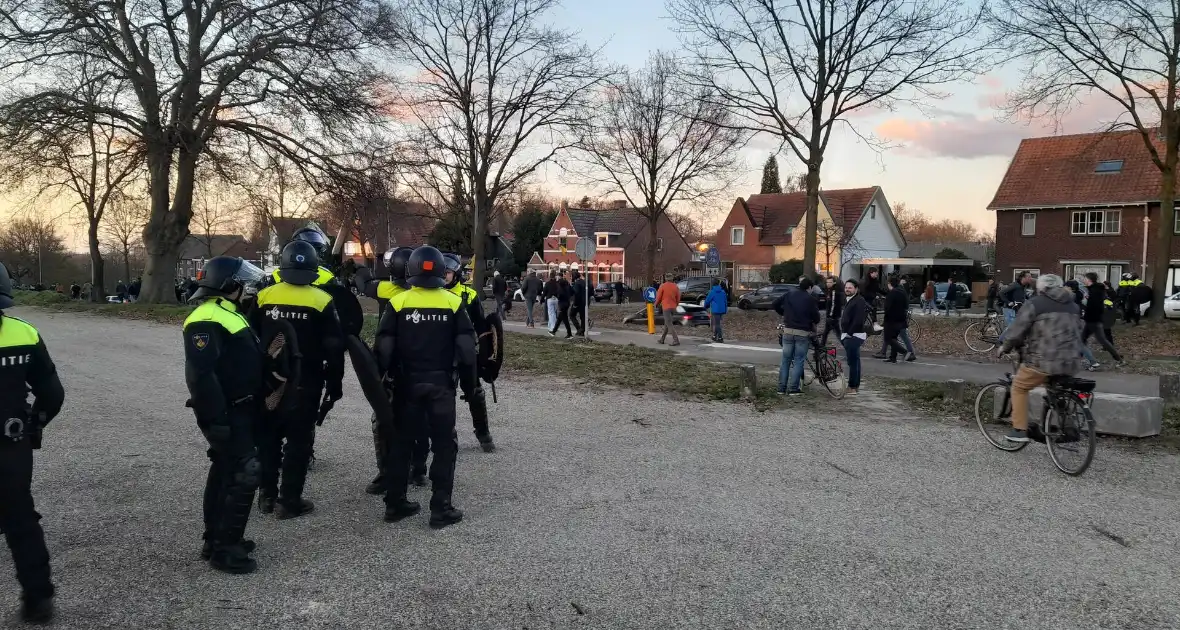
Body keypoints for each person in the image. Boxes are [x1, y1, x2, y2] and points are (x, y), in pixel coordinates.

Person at [375, 246, 476, 529]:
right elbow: (468, 352)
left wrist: (382, 383)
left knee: (402, 443)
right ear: (441, 270)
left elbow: (383, 348)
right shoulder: (454, 303)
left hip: (407, 385)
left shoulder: (398, 303)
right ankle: (440, 508)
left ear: (412, 269)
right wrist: (470, 388)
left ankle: (395, 504)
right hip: (442, 385)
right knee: (445, 445)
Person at [183, 256, 266, 575]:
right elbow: (200, 376)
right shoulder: (206, 318)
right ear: (228, 284)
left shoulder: (230, 313)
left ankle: (215, 539)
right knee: (246, 470)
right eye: (242, 280)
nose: (248, 285)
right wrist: (214, 420)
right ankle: (225, 550)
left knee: (225, 471)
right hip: (227, 410)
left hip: (242, 406)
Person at [252, 241, 345, 519]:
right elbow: (334, 347)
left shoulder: (264, 296)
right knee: (299, 439)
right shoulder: (321, 299)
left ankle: (266, 496)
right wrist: (335, 384)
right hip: (306, 380)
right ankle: (289, 500)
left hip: (269, 380)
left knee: (267, 437)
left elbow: (251, 336)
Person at [0, 262, 65, 621]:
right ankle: (38, 600)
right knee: (21, 519)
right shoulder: (23, 333)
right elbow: (52, 393)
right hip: (10, 444)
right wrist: (34, 425)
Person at [997, 274, 1083, 442]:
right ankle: (1070, 428)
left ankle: (1019, 430)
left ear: (1042, 289)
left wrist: (1004, 347)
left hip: (1044, 360)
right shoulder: (1073, 306)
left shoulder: (1035, 304)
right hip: (1071, 360)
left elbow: (1017, 330)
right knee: (1056, 389)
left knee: (1019, 387)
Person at [443, 253, 496, 453]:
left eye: (447, 273)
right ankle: (445, 435)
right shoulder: (433, 294)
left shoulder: (469, 295)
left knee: (474, 393)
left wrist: (486, 355)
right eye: (441, 273)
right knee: (443, 395)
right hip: (442, 353)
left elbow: (481, 327)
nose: (444, 276)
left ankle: (483, 433)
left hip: (466, 352)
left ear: (455, 274)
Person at [772, 277, 820, 395]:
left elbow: (775, 303)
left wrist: (784, 313)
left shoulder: (789, 294)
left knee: (786, 360)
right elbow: (817, 318)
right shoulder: (810, 299)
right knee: (798, 360)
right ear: (809, 288)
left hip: (788, 331)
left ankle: (781, 388)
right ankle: (794, 388)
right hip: (802, 333)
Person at [1081, 272, 1124, 367]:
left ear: (1089, 279)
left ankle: (1091, 362)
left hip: (1092, 320)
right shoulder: (1096, 290)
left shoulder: (1094, 291)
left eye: (1084, 278)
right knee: (1102, 340)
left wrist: (1086, 310)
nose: (1083, 280)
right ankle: (1119, 359)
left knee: (1082, 340)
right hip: (1096, 320)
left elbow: (1094, 306)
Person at [839, 279, 869, 395]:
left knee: (853, 362)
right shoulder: (850, 300)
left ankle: (852, 386)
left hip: (854, 335)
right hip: (850, 335)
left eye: (850, 287)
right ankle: (855, 386)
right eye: (846, 287)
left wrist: (849, 334)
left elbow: (858, 321)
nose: (847, 289)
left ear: (856, 289)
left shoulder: (859, 301)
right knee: (855, 361)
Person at [876, 275, 913, 362]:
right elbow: (906, 305)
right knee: (894, 338)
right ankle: (893, 357)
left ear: (889, 284)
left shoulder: (892, 293)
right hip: (901, 319)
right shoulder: (902, 291)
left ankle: (904, 352)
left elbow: (887, 308)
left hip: (891, 320)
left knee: (888, 339)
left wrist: (885, 321)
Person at [998, 271, 1033, 341]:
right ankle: (1000, 341)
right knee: (1012, 327)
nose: (1031, 278)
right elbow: (1001, 292)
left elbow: (1025, 297)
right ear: (1023, 278)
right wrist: (1008, 302)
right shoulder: (1015, 285)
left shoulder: (1023, 287)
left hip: (1016, 310)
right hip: (1009, 309)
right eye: (1029, 277)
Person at [655, 274, 681, 346]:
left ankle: (676, 340)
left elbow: (659, 297)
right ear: (672, 278)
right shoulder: (675, 286)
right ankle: (662, 339)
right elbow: (678, 297)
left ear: (666, 278)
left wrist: (656, 304)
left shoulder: (663, 286)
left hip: (666, 307)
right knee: (667, 323)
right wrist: (676, 304)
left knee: (669, 323)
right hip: (673, 307)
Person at [819, 276, 845, 347]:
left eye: (830, 282)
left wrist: (830, 316)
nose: (828, 284)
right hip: (833, 316)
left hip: (833, 317)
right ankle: (822, 346)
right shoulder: (830, 291)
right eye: (827, 282)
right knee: (828, 332)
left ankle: (821, 346)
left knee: (835, 333)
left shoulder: (834, 292)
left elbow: (833, 304)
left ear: (834, 283)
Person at [703, 278, 728, 342]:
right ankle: (714, 336)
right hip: (722, 310)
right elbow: (725, 301)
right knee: (718, 323)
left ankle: (720, 338)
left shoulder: (712, 292)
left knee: (717, 324)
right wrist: (725, 309)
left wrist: (705, 306)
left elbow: (707, 300)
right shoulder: (723, 291)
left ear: (713, 284)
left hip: (716, 310)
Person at [550, 271, 573, 338]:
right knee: (559, 318)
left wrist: (555, 296)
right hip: (567, 303)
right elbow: (572, 292)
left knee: (565, 320)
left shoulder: (560, 289)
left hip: (562, 305)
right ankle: (554, 331)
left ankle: (569, 334)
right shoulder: (568, 286)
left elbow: (559, 296)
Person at [570, 271, 587, 336]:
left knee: (571, 315)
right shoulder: (584, 282)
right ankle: (582, 331)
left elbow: (576, 294)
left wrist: (575, 304)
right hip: (584, 302)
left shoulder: (577, 283)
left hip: (578, 303)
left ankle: (579, 329)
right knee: (582, 317)